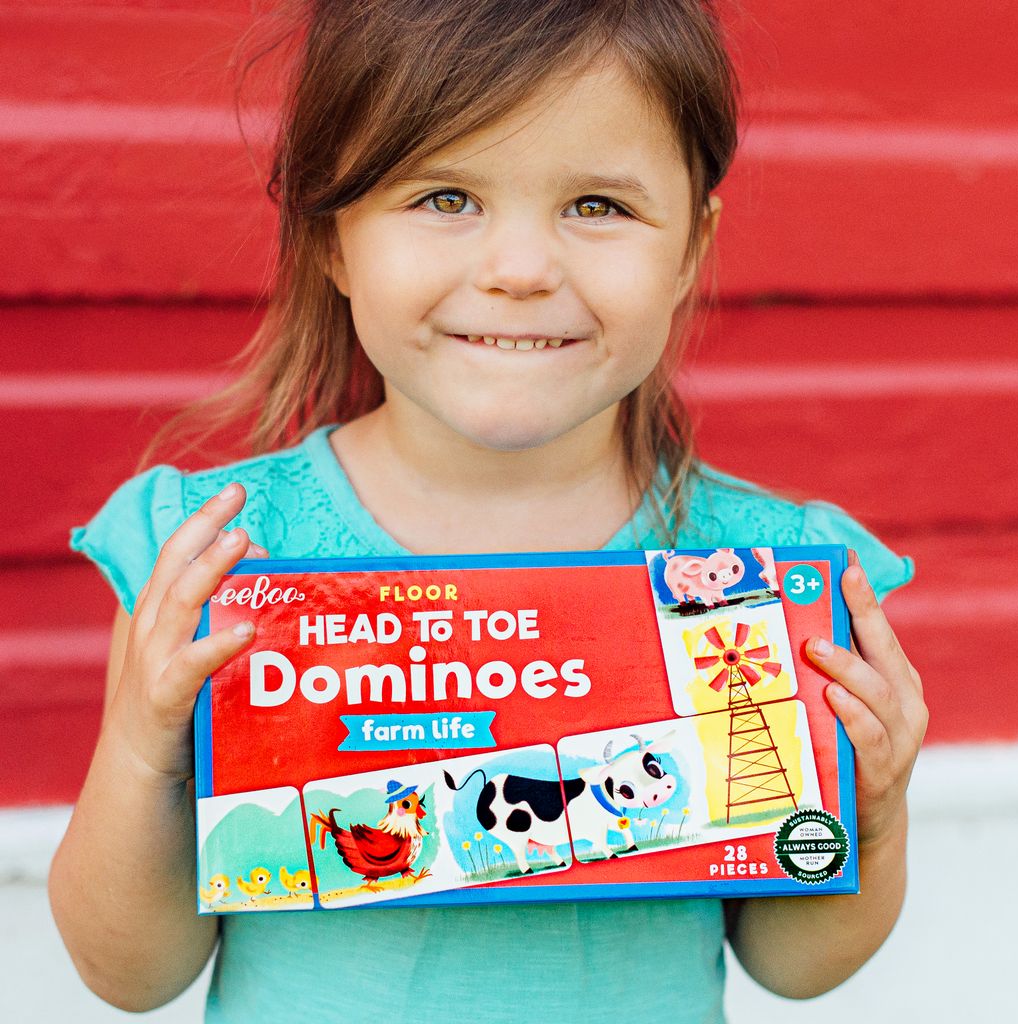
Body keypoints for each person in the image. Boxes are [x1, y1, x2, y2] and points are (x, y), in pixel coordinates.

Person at [49, 1, 928, 1021]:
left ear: (691, 244)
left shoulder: (763, 578)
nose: (519, 270)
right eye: (445, 195)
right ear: (330, 235)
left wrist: (872, 809)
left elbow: (793, 959)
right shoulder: (211, 560)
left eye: (597, 205)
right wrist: (143, 751)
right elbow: (129, 971)